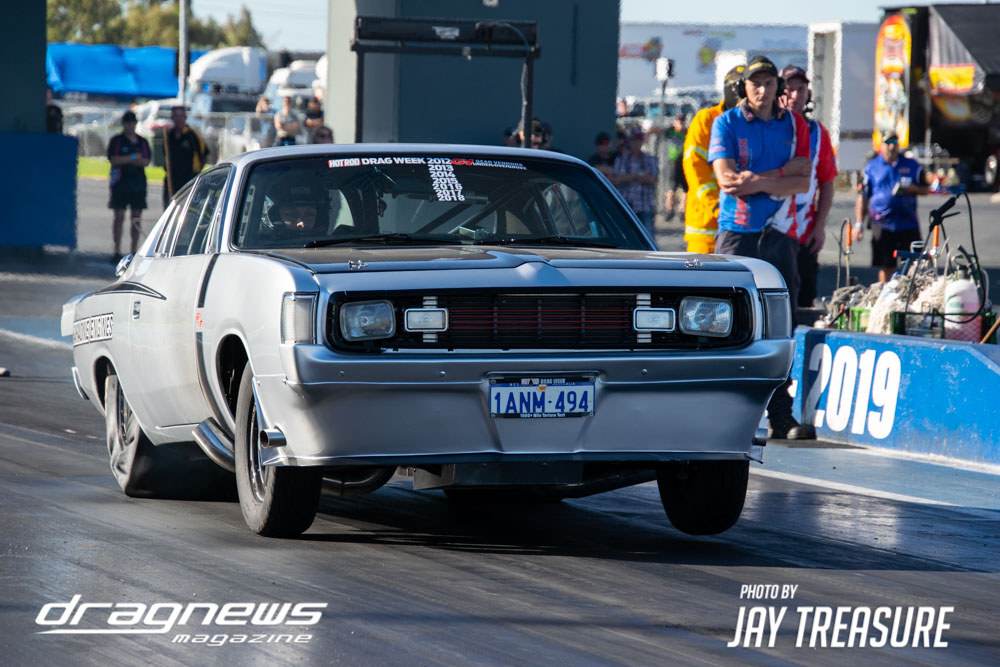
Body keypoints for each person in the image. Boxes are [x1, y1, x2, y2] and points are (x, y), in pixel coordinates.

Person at [709, 55, 815, 440]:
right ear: (744, 87)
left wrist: (756, 180)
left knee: (781, 325)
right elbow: (728, 181)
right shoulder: (726, 122)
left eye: (769, 83)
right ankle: (725, 415)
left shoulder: (794, 124)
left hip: (779, 233)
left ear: (777, 88)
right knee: (726, 322)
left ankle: (780, 416)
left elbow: (803, 181)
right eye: (755, 83)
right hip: (737, 233)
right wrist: (777, 179)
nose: (762, 89)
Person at [780, 65, 838, 307]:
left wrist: (820, 226)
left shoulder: (818, 132)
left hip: (804, 233)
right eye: (789, 90)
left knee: (804, 303)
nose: (795, 96)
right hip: (773, 234)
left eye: (801, 90)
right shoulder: (768, 128)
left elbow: (827, 182)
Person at [681, 65, 745, 253]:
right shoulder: (706, 120)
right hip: (706, 229)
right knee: (698, 272)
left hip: (741, 227)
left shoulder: (753, 123)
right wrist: (718, 207)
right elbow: (694, 168)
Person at [855, 131, 930, 283]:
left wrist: (913, 188)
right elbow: (863, 196)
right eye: (888, 143)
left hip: (907, 223)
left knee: (914, 264)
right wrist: (859, 223)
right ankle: (885, 293)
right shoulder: (871, 167)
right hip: (882, 224)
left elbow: (926, 189)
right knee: (886, 265)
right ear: (881, 145)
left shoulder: (912, 165)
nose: (891, 147)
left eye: (895, 143)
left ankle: (909, 294)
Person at [107, 110, 151, 261]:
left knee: (136, 218)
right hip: (120, 183)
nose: (130, 125)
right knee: (119, 216)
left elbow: (145, 161)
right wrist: (132, 157)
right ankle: (116, 250)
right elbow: (114, 159)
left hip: (138, 184)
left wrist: (126, 160)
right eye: (127, 123)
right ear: (124, 124)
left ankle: (134, 250)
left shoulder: (142, 142)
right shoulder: (117, 141)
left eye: (132, 123)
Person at [611, 127, 659, 237]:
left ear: (642, 141)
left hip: (645, 206)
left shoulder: (650, 160)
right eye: (634, 140)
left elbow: (652, 179)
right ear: (630, 141)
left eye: (639, 140)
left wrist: (629, 177)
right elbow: (616, 179)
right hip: (627, 206)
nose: (636, 143)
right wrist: (637, 176)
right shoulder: (621, 159)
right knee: (627, 237)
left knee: (647, 237)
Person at [163, 105, 208, 207]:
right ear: (172, 117)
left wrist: (196, 172)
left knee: (186, 208)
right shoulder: (168, 136)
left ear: (185, 117)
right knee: (169, 208)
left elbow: (204, 155)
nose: (178, 119)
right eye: (176, 116)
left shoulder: (193, 135)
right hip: (171, 179)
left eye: (181, 116)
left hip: (188, 180)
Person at [661, 113, 688, 222]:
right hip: (672, 163)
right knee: (671, 188)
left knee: (685, 189)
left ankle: (682, 210)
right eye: (678, 121)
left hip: (684, 162)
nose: (680, 123)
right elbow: (660, 131)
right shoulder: (670, 132)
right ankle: (669, 210)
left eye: (682, 121)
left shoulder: (687, 132)